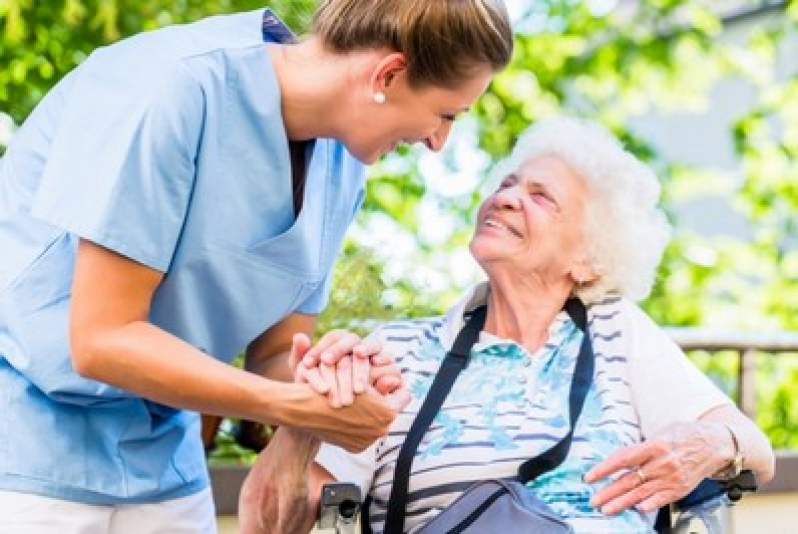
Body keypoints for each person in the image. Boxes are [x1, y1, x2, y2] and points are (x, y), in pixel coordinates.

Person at [0, 1, 514, 532]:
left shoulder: (341, 165)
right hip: (28, 455)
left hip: (164, 466)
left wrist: (334, 381)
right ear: (387, 74)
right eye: (447, 113)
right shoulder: (168, 88)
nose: (438, 142)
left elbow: (272, 355)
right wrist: (296, 406)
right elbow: (102, 339)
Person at [254, 116, 776, 533]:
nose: (506, 198)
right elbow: (272, 524)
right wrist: (302, 421)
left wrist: (710, 442)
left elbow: (754, 448)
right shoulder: (396, 351)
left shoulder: (618, 332)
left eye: (541, 197)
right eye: (507, 184)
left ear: (589, 259)